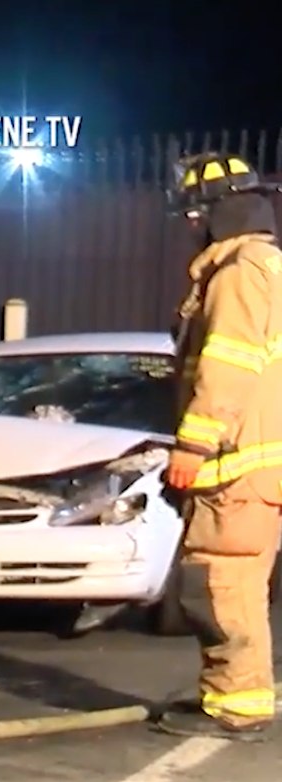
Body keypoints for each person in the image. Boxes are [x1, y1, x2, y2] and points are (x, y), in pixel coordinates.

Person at [154, 152, 282, 739]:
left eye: (194, 213)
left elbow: (226, 368)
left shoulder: (237, 272)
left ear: (216, 212)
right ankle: (234, 696)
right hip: (257, 464)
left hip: (236, 466)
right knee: (238, 583)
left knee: (220, 582)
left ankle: (236, 705)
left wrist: (193, 445)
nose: (190, 225)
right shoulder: (266, 266)